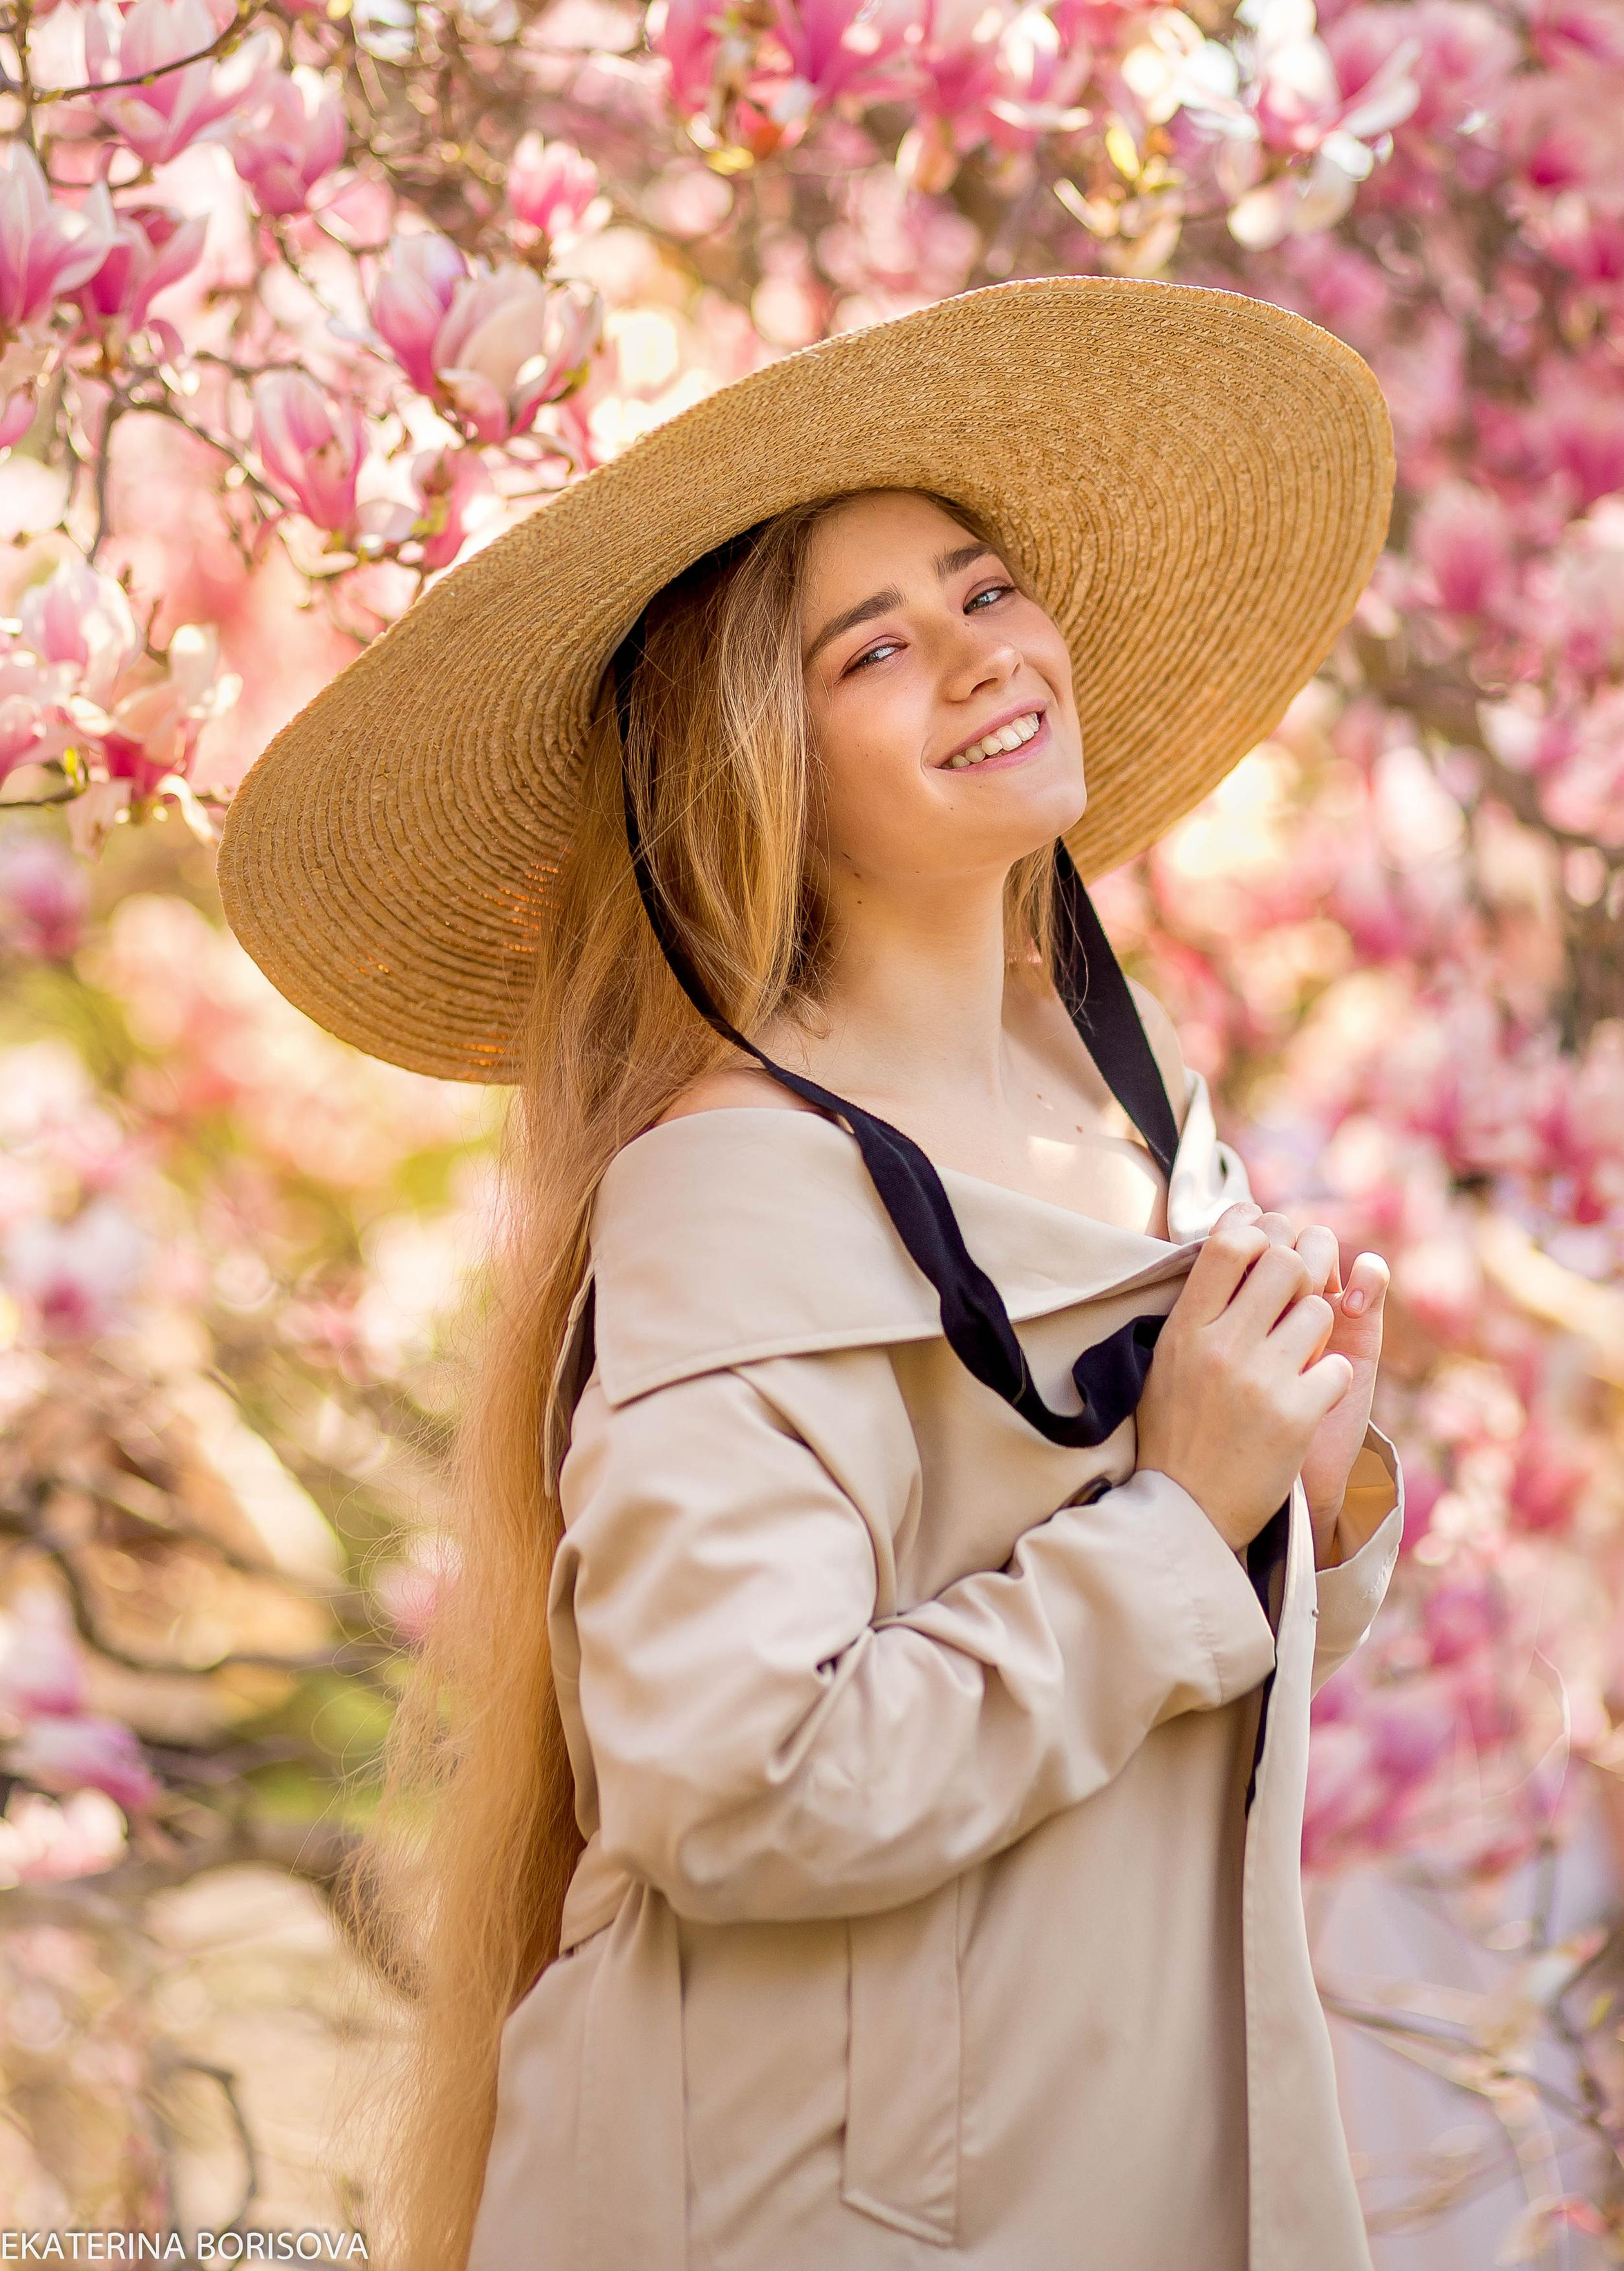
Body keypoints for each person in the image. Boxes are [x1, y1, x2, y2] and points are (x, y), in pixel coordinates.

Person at [218, 276, 1405, 2271]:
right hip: (814, 2212)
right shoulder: (731, 1200)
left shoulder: (1123, 1106)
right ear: (763, 758)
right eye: (877, 646)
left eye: (986, 587)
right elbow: (740, 1787)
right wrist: (1186, 1517)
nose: (980, 654)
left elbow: (1166, 1647)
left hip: (1123, 2158)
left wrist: (1324, 1491)